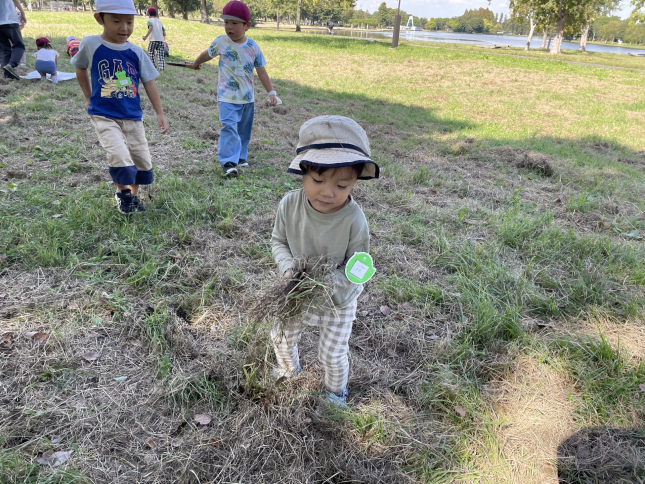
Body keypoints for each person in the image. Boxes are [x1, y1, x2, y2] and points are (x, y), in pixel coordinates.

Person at [270, 115, 380, 408]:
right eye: (318, 180)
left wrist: (328, 283)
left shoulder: (354, 220)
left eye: (343, 185)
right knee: (280, 336)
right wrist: (287, 268)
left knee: (331, 354)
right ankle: (288, 370)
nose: (328, 192)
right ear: (303, 172)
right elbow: (278, 241)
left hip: (337, 301)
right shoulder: (289, 206)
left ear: (355, 181)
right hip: (296, 293)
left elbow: (360, 267)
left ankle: (335, 394)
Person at [71, 0, 169, 214]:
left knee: (139, 158)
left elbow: (149, 82)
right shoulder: (91, 44)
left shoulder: (136, 52)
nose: (124, 28)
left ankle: (132, 197)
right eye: (116, 21)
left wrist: (159, 112)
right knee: (118, 154)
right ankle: (122, 195)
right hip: (104, 114)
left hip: (132, 116)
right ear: (100, 19)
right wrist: (88, 97)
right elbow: (80, 68)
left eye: (130, 22)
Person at [190, 0, 278, 177]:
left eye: (234, 23)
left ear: (247, 26)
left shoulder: (253, 47)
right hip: (226, 97)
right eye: (226, 22)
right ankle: (228, 162)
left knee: (243, 130)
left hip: (247, 98)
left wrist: (271, 92)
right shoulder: (221, 42)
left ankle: (240, 156)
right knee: (229, 127)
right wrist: (196, 62)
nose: (229, 27)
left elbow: (261, 72)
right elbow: (207, 54)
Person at [0, 0, 26, 80]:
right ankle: (11, 65)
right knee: (19, 45)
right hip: (9, 19)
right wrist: (22, 12)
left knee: (4, 49)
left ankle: (8, 76)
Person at [142, 6, 164, 72]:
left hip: (153, 40)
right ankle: (161, 68)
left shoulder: (149, 20)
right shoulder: (159, 21)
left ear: (148, 13)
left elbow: (150, 28)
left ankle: (152, 65)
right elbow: (163, 30)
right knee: (160, 55)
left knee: (150, 52)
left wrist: (145, 36)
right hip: (160, 40)